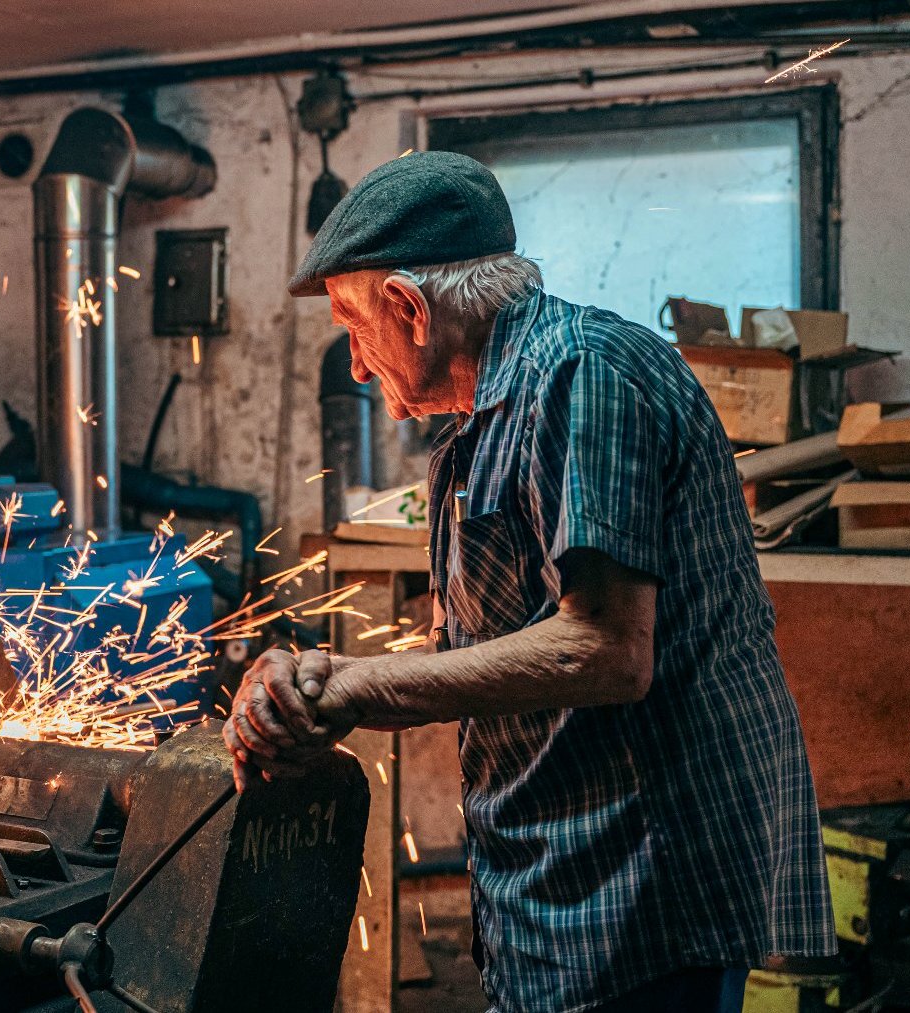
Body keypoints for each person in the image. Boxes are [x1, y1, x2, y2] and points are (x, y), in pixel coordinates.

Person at [225, 150, 834, 1012]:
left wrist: (356, 686)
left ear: (409, 307)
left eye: (354, 327)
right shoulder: (475, 434)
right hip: (556, 871)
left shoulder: (583, 375)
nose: (356, 365)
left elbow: (606, 647)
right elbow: (483, 652)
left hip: (645, 879)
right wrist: (314, 678)